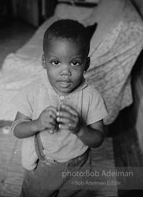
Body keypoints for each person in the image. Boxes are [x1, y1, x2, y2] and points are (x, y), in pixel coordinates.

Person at [11, 19, 108, 197]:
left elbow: (98, 139)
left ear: (86, 64)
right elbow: (17, 129)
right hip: (43, 165)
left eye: (75, 63)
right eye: (56, 62)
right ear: (44, 61)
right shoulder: (33, 91)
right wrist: (37, 124)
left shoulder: (92, 97)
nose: (65, 71)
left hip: (79, 168)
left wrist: (80, 129)